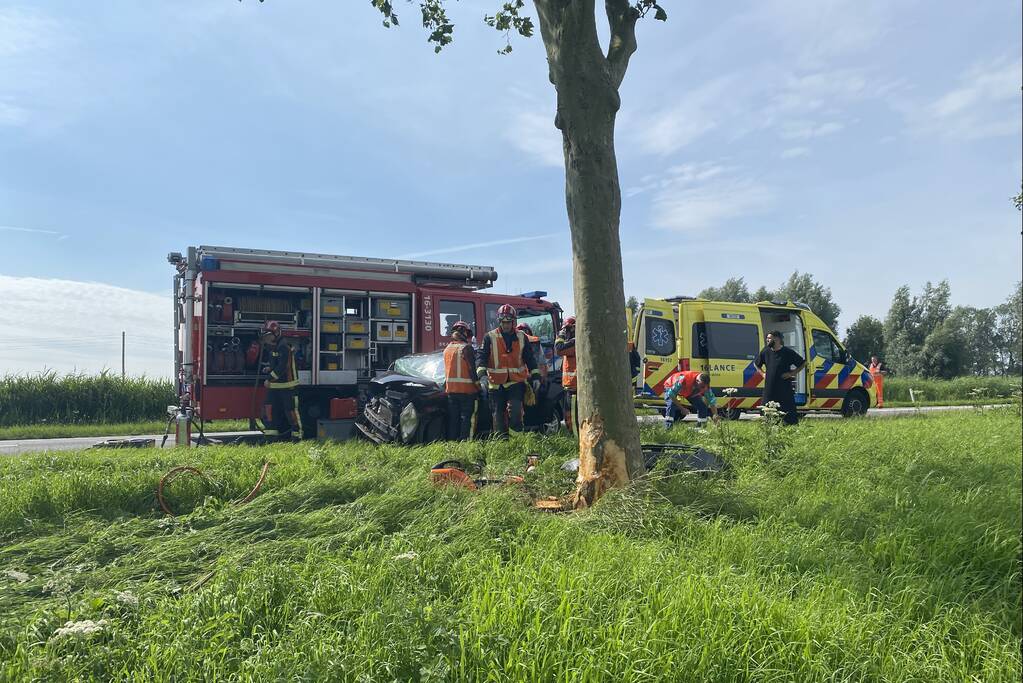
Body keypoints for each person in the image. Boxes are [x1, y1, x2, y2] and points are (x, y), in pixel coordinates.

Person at [476, 304, 541, 438]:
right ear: (499, 321)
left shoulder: (522, 337)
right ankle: (501, 444)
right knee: (497, 415)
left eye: (508, 322)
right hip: (495, 384)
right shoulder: (489, 337)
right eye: (503, 322)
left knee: (516, 411)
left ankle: (516, 442)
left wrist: (536, 377)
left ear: (513, 322)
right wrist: (482, 376)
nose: (506, 325)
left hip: (515, 382)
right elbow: (481, 357)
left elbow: (530, 359)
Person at [260, 320, 303, 441]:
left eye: (268, 335)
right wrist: (269, 368)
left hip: (288, 386)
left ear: (277, 333)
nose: (266, 338)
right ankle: (270, 436)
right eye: (265, 336)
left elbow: (283, 367)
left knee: (290, 412)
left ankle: (296, 436)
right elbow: (276, 363)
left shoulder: (284, 346)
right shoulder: (273, 346)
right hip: (275, 386)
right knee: (269, 409)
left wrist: (269, 378)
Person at [755, 330, 805, 425]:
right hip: (769, 388)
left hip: (784, 388)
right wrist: (763, 374)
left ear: (777, 339)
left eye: (769, 338)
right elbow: (756, 364)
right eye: (767, 338)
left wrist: (791, 373)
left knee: (787, 411)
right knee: (767, 411)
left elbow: (802, 363)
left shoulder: (787, 352)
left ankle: (788, 426)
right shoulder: (766, 351)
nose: (767, 340)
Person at [443, 320, 480, 440]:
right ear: (464, 333)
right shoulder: (466, 348)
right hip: (467, 392)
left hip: (451, 392)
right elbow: (472, 372)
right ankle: (465, 445)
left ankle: (452, 444)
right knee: (467, 420)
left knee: (453, 420)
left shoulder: (447, 349)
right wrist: (479, 387)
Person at [554, 316, 577, 434]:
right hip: (570, 387)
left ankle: (578, 444)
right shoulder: (573, 343)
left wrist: (560, 335)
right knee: (569, 418)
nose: (566, 332)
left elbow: (559, 349)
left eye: (567, 330)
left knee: (573, 419)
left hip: (574, 388)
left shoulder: (575, 342)